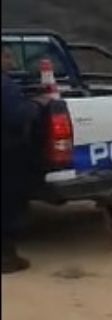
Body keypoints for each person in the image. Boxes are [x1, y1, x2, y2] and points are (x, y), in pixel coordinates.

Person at [2, 46, 48, 274]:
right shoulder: (5, 86)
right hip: (8, 154)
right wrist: (38, 104)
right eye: (7, 56)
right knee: (9, 204)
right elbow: (17, 115)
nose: (11, 62)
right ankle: (6, 258)